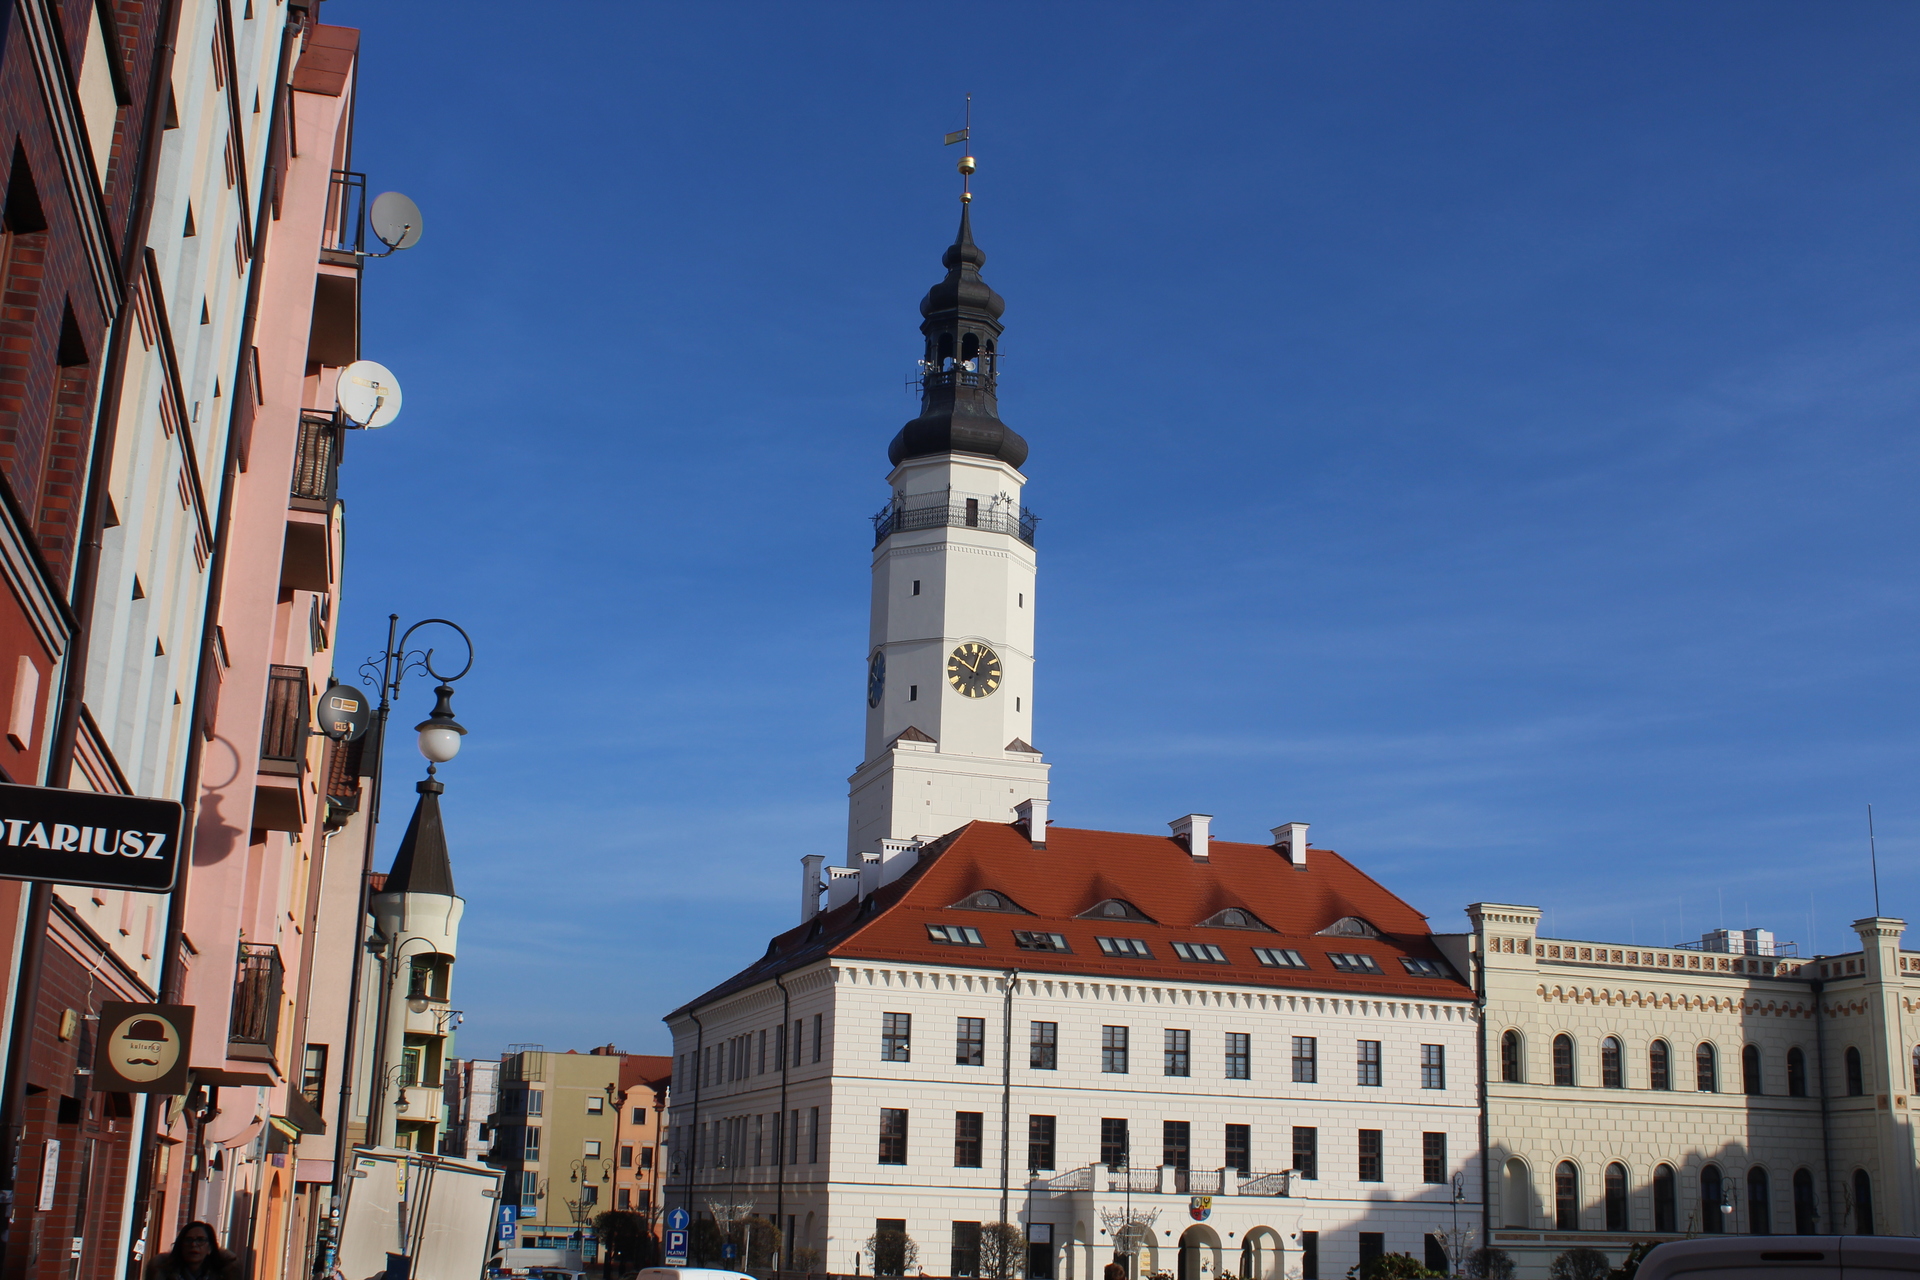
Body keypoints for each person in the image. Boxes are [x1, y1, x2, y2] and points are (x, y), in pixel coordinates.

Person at [150, 1222, 240, 1280]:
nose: (193, 1245)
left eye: (201, 1240)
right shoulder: (163, 1274)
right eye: (188, 1240)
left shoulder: (223, 1275)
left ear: (210, 1248)